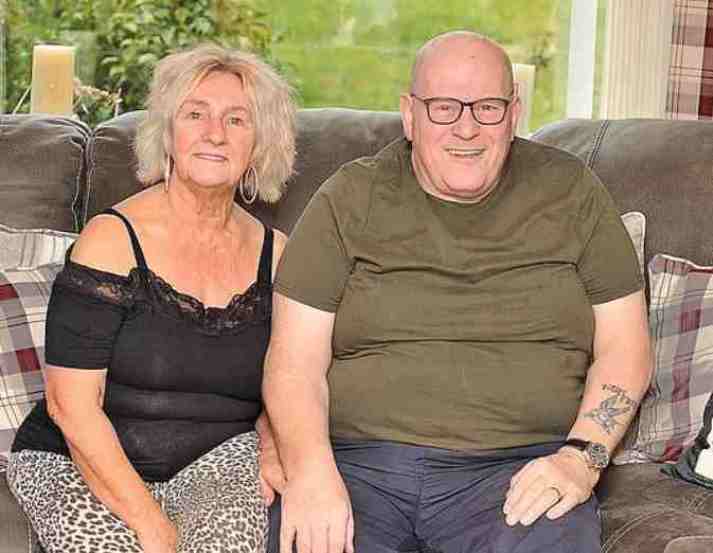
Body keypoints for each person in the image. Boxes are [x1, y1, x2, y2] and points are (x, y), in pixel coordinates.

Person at [262, 31, 652, 553]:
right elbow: (293, 362)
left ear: (514, 113)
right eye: (443, 107)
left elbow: (626, 347)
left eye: (487, 107)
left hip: (517, 472)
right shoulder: (350, 197)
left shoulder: (572, 192)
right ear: (410, 114)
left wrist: (581, 457)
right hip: (360, 469)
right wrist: (311, 473)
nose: (466, 128)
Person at [6, 43, 295, 553]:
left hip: (216, 458)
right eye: (195, 114)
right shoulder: (111, 239)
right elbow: (71, 406)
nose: (214, 133)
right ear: (167, 132)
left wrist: (273, 445)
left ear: (260, 143)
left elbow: (292, 374)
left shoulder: (277, 255)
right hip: (79, 458)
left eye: (236, 119)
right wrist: (151, 525)